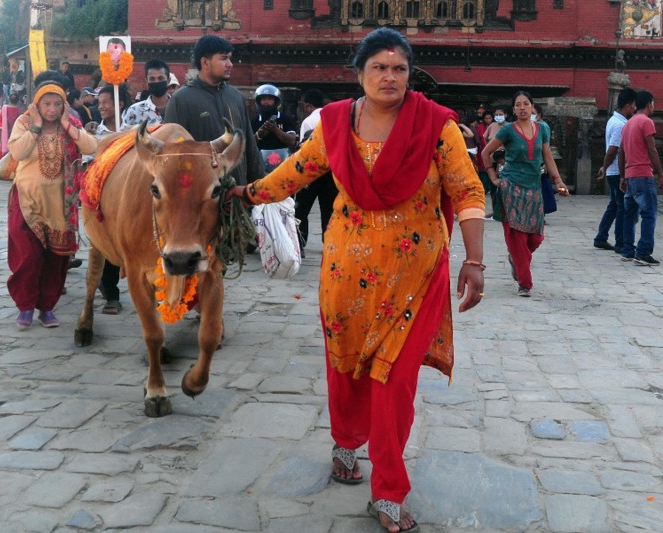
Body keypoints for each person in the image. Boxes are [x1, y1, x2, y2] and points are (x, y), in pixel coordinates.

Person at [228, 28, 485, 533]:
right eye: (379, 68)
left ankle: (388, 491)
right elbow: (296, 172)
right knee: (346, 368)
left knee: (395, 382)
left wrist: (475, 261)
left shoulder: (436, 127)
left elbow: (469, 189)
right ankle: (345, 441)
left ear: (410, 76)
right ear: (360, 73)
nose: (389, 77)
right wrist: (247, 193)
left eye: (399, 69)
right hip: (347, 274)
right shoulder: (333, 124)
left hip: (415, 277)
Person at [7, 72, 97, 329]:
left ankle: (47, 307)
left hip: (60, 205)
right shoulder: (25, 123)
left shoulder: (70, 125)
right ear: (36, 105)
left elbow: (92, 147)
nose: (52, 109)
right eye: (46, 103)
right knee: (28, 257)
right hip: (27, 202)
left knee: (55, 260)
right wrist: (35, 126)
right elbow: (18, 151)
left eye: (57, 104)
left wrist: (69, 125)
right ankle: (25, 306)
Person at [481, 91, 569, 297]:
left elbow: (547, 156)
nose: (522, 107)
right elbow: (486, 152)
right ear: (513, 109)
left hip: (534, 189)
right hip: (511, 187)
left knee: (535, 238)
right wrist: (493, 177)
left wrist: (558, 181)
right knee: (517, 237)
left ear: (532, 108)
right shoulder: (508, 130)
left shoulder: (543, 129)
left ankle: (516, 259)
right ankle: (525, 283)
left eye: (526, 104)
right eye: (518, 105)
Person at [164, 34, 265, 186]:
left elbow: (249, 146)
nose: (230, 64)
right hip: (202, 197)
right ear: (205, 62)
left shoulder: (235, 96)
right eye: (224, 58)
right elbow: (173, 155)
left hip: (239, 195)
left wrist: (259, 186)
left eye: (230, 58)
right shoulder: (181, 100)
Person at [85, 84, 133, 315]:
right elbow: (87, 162)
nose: (101, 106)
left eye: (106, 102)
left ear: (120, 104)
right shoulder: (95, 134)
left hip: (130, 198)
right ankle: (111, 295)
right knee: (106, 246)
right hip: (105, 197)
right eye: (99, 103)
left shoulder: (134, 131)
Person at [618, 89, 662, 266]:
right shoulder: (647, 122)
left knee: (630, 215)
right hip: (643, 174)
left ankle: (627, 250)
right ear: (649, 104)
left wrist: (623, 176)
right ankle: (643, 252)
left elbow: (621, 152)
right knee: (649, 214)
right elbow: (652, 149)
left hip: (630, 175)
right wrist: (660, 172)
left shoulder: (628, 123)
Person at [293, 88, 338, 253]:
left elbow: (304, 148)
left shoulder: (308, 121)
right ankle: (329, 243)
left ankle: (300, 242)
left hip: (312, 171)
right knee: (328, 209)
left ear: (307, 105)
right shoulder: (332, 118)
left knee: (302, 208)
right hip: (331, 171)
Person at [594, 88, 637, 253]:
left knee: (614, 205)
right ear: (627, 105)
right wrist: (605, 167)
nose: (634, 109)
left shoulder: (613, 120)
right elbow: (613, 150)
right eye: (633, 106)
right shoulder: (620, 125)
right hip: (617, 170)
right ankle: (620, 242)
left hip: (612, 170)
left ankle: (601, 237)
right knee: (622, 207)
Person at [251, 83, 297, 171]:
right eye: (263, 99)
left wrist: (275, 130)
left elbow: (292, 141)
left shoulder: (285, 119)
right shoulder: (255, 121)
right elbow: (248, 145)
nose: (266, 102)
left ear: (276, 101)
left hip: (283, 164)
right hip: (261, 165)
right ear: (259, 101)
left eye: (270, 99)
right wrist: (259, 134)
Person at [122, 59, 173, 126]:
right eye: (152, 79)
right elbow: (124, 135)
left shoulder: (179, 108)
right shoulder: (134, 111)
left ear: (168, 80)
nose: (156, 82)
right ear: (146, 81)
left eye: (161, 78)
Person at [0, 92, 22, 159]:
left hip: (5, 135)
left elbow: (1, 120)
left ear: (9, 100)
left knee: (4, 154)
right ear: (18, 101)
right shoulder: (19, 111)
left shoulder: (4, 109)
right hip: (16, 134)